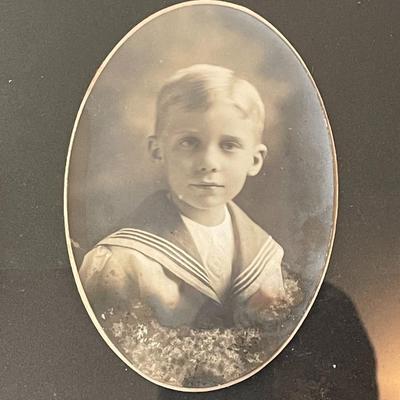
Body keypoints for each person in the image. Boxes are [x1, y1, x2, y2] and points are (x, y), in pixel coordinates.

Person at [79, 64, 287, 328]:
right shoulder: (124, 259)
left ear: (255, 160)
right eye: (189, 142)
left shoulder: (266, 257)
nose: (209, 162)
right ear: (157, 150)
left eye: (229, 145)